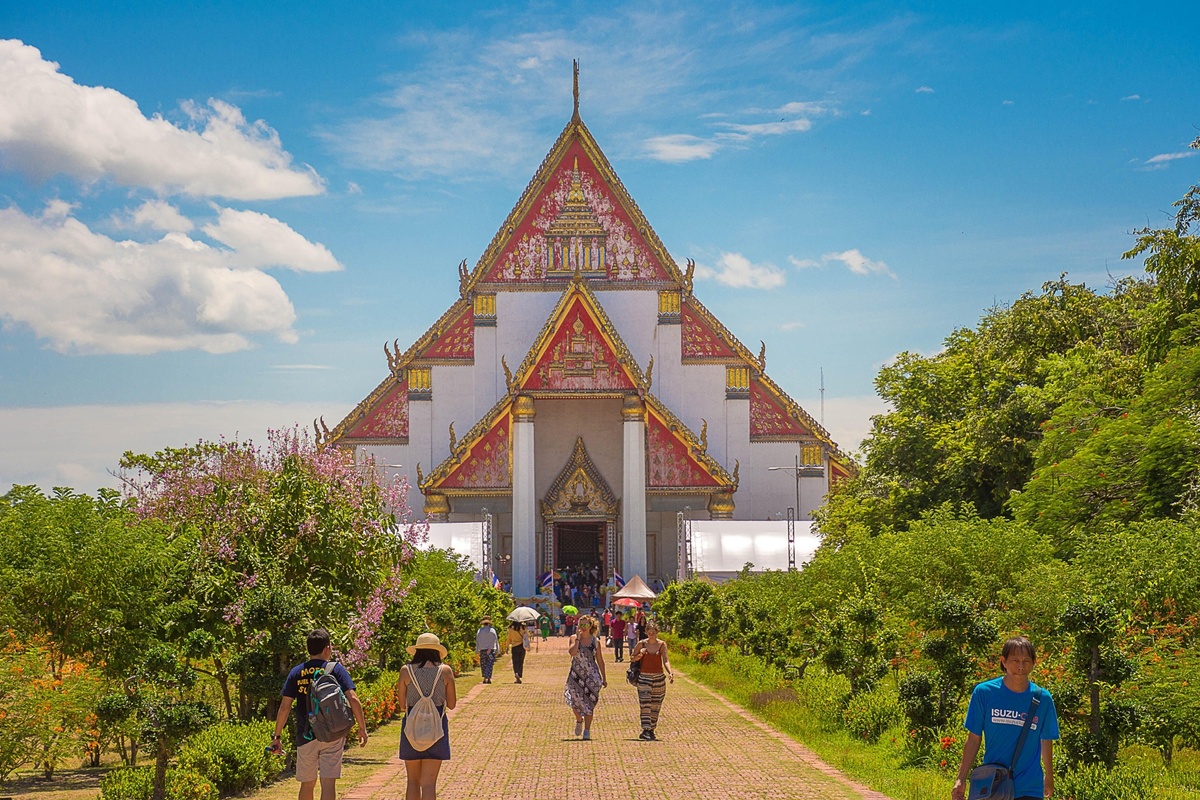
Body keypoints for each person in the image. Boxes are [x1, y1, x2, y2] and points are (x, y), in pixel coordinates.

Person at [952, 637, 1059, 800]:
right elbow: (974, 738)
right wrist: (961, 778)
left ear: (1034, 663)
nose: (1021, 666)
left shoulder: (1043, 699)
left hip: (1029, 787)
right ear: (1004, 661)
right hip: (993, 783)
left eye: (1026, 661)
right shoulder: (984, 693)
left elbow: (1046, 740)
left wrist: (1049, 777)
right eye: (1015, 660)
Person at [272, 629, 369, 800]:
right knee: (328, 783)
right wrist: (362, 727)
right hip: (332, 733)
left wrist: (277, 736)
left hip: (306, 734)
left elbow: (284, 707)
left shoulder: (297, 672)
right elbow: (353, 699)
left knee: (307, 784)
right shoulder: (335, 669)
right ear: (327, 648)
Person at [395, 632, 457, 800]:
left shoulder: (406, 671)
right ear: (437, 651)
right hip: (437, 726)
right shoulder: (445, 671)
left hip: (411, 727)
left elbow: (402, 705)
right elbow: (451, 704)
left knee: (412, 781)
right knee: (429, 783)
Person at [564, 615, 608, 740]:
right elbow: (572, 653)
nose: (583, 628)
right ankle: (579, 720)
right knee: (574, 700)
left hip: (591, 676)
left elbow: (600, 660)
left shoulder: (595, 641)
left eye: (585, 625)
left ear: (590, 626)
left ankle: (587, 730)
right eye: (580, 625)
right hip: (576, 674)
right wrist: (578, 639)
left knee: (589, 703)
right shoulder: (573, 638)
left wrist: (604, 678)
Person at [629, 620, 674, 740]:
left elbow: (666, 660)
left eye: (653, 633)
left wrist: (670, 672)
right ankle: (645, 729)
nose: (651, 635)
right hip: (644, 678)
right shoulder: (641, 644)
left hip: (659, 678)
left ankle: (651, 729)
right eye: (649, 633)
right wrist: (638, 656)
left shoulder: (662, 645)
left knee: (656, 705)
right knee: (645, 704)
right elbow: (632, 658)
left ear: (657, 632)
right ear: (646, 633)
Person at [476, 617, 499, 684]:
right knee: (490, 664)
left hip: (483, 650)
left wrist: (478, 649)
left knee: (483, 664)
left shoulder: (480, 631)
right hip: (491, 650)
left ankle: (485, 678)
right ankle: (488, 678)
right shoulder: (492, 630)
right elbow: (495, 640)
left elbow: (477, 640)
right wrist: (496, 649)